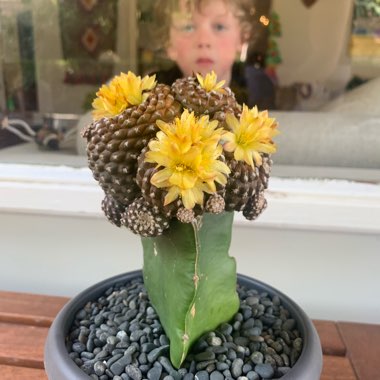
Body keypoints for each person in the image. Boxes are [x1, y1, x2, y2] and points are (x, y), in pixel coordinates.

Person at [151, 0, 276, 109]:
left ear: (242, 38)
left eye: (219, 27)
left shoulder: (258, 87)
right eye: (188, 27)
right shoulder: (153, 92)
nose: (204, 41)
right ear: (168, 43)